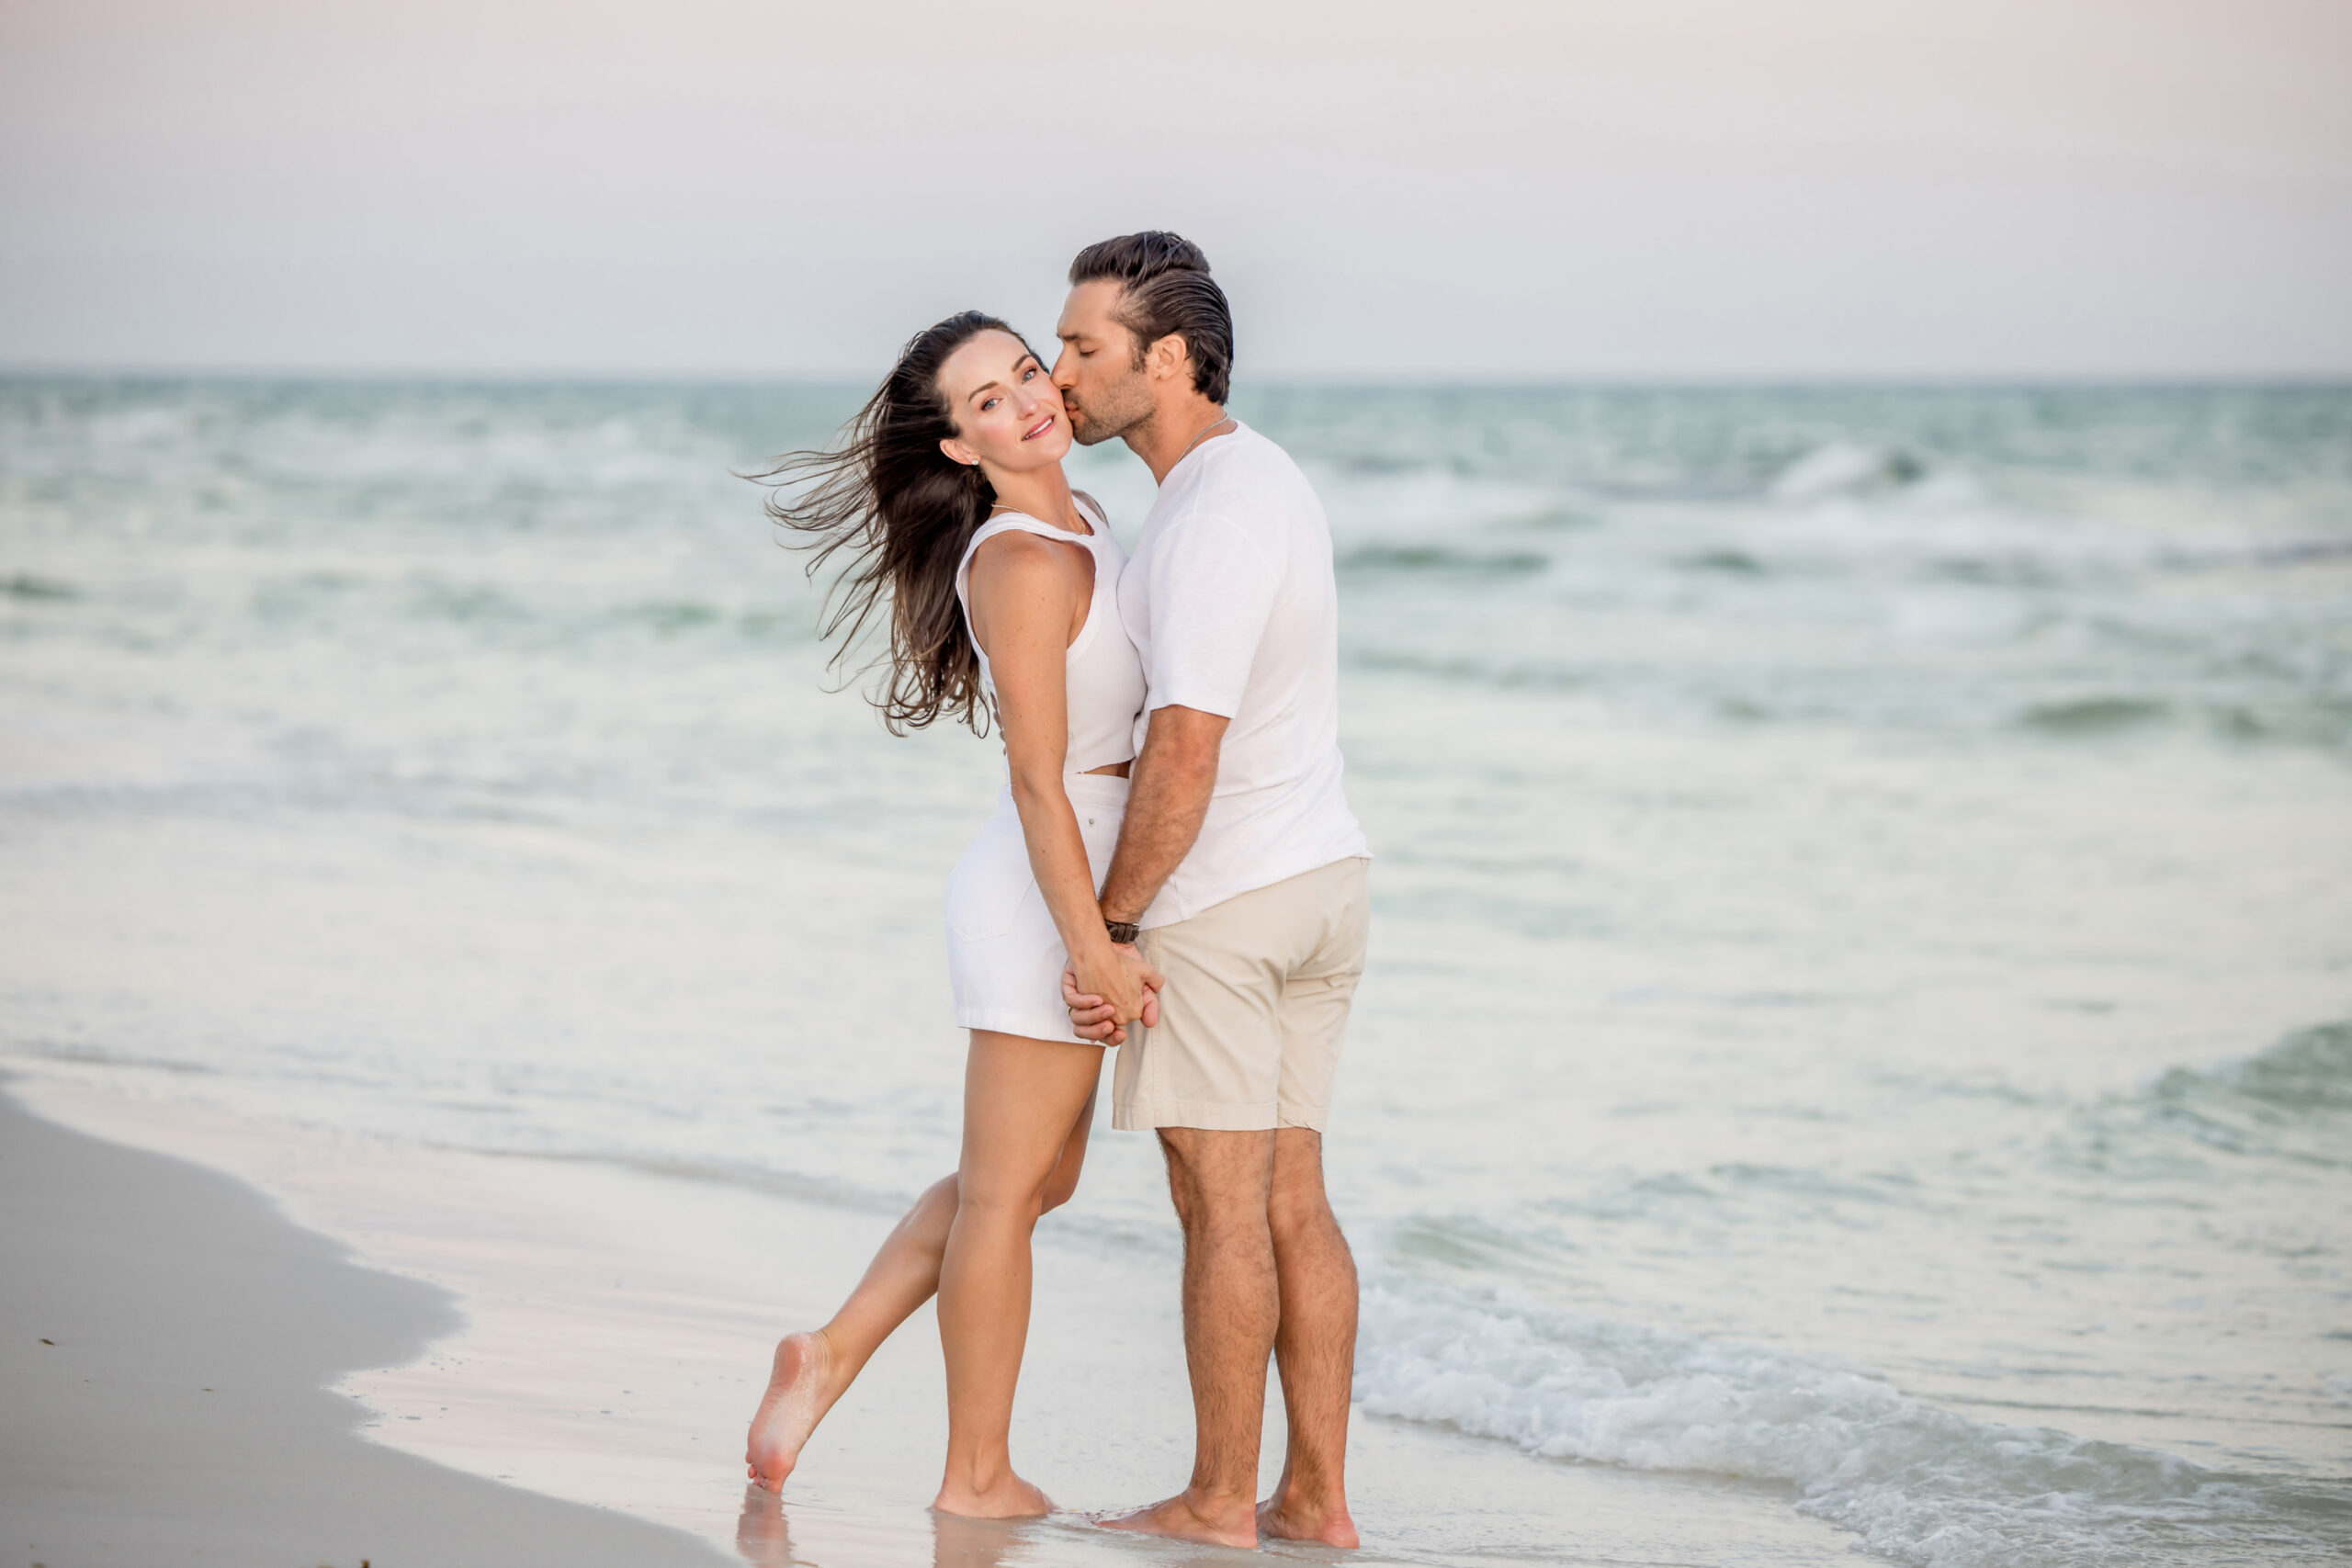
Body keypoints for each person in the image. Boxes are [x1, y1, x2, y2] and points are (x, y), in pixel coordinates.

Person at [741, 310, 1163, 1517]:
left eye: (1027, 371)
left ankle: (828, 1353)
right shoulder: (1024, 560)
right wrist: (1092, 942)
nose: (1026, 399)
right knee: (1007, 1193)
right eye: (986, 400)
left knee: (1026, 1181)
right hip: (1046, 888)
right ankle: (975, 1476)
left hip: (1075, 874)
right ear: (962, 447)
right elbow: (1037, 778)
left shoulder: (1089, 519)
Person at [1053, 232, 1373, 1551]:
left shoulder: (1209, 515)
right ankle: (1313, 1500)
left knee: (1220, 1202)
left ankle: (1216, 1502)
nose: (1061, 373)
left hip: (1231, 899)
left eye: (1084, 347)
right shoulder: (1252, 482)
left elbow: (1188, 745)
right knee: (1291, 1191)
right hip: (1319, 877)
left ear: (1168, 357)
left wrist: (1111, 930)